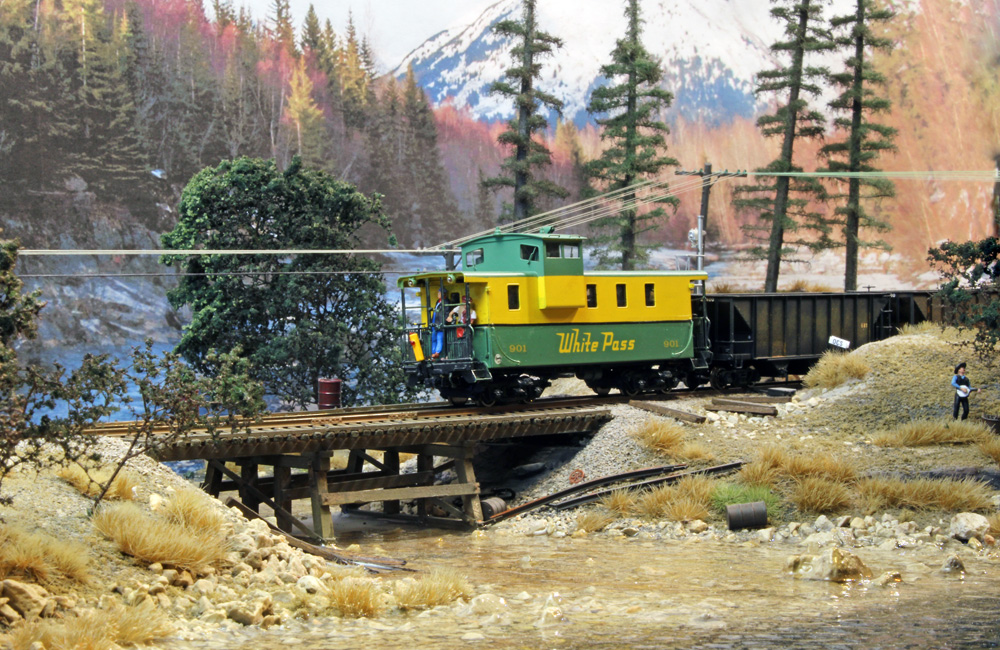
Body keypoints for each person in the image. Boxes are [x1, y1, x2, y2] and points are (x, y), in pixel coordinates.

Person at [429, 289, 446, 359]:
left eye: (439, 292)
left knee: (439, 338)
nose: (438, 294)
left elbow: (445, 313)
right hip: (434, 322)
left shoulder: (446, 302)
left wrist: (442, 322)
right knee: (433, 338)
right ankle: (433, 353)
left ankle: (437, 352)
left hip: (439, 323)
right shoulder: (438, 302)